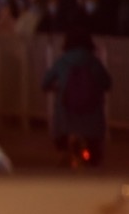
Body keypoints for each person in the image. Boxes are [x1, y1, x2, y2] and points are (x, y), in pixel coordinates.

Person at [41, 25, 113, 167]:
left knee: (61, 133)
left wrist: (55, 88)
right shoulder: (94, 62)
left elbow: (45, 83)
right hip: (92, 116)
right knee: (94, 149)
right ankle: (93, 159)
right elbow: (107, 83)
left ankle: (64, 152)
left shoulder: (62, 61)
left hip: (66, 116)